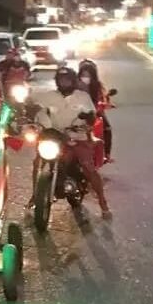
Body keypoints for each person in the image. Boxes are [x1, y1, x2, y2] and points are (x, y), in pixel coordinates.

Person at [32, 66, 111, 218]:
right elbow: (36, 109)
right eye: (61, 79)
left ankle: (103, 203)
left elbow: (92, 116)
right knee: (37, 162)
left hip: (78, 136)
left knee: (88, 167)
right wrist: (30, 112)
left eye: (67, 79)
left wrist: (87, 118)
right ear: (57, 81)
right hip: (54, 136)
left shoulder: (82, 97)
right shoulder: (48, 96)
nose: (64, 82)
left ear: (73, 81)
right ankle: (35, 195)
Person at [77, 59, 113, 162]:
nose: (85, 77)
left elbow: (102, 98)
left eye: (88, 75)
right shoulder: (74, 85)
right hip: (76, 113)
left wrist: (100, 106)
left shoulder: (97, 86)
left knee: (107, 128)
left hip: (94, 113)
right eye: (83, 75)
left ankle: (106, 154)